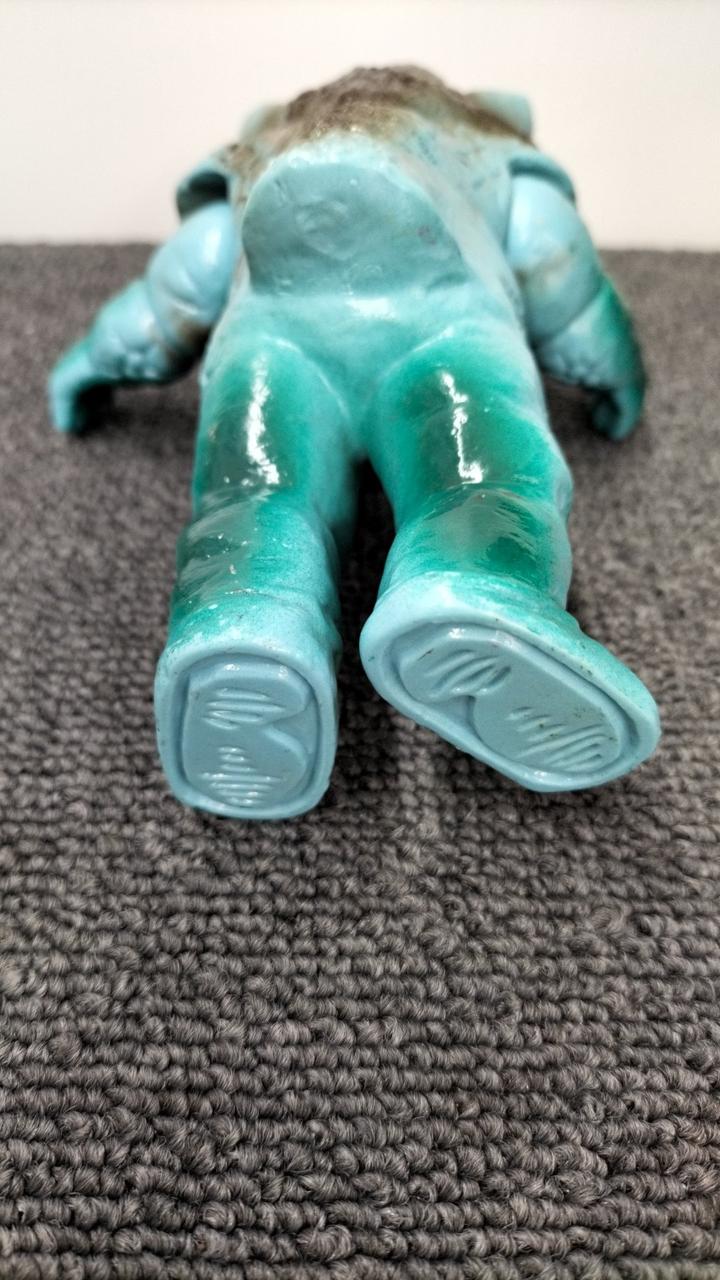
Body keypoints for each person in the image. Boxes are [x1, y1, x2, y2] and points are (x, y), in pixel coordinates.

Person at [49, 66, 659, 819]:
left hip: (273, 345)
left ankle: (245, 619)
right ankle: (476, 581)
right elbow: (566, 287)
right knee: (482, 484)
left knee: (255, 498)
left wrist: (91, 363)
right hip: (445, 338)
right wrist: (618, 377)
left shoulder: (255, 165)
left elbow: (180, 286)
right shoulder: (495, 159)